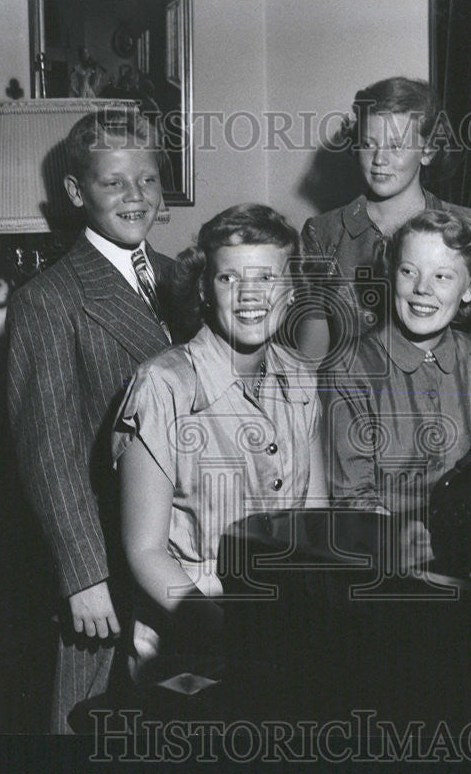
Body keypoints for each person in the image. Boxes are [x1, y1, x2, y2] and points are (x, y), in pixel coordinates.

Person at [6, 106, 188, 733]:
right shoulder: (48, 299)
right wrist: (82, 575)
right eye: (114, 183)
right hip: (106, 555)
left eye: (148, 180)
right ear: (77, 192)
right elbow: (50, 450)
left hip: (181, 541)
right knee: (90, 713)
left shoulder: (183, 280)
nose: (135, 196)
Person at [113, 204, 326, 681]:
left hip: (286, 616)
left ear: (291, 291)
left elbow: (315, 520)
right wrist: (233, 633)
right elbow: (144, 552)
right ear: (205, 289)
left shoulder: (302, 379)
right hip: (187, 626)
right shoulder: (162, 386)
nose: (250, 295)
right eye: (230, 278)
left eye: (267, 278)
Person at [322, 209, 471, 567]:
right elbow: (353, 499)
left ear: (470, 289)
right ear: (391, 274)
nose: (422, 288)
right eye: (409, 271)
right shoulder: (349, 367)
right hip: (387, 557)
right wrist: (399, 541)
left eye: (442, 276)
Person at [297, 77, 471, 363]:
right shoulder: (322, 233)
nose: (379, 160)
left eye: (396, 146)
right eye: (368, 144)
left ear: (427, 151)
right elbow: (312, 359)